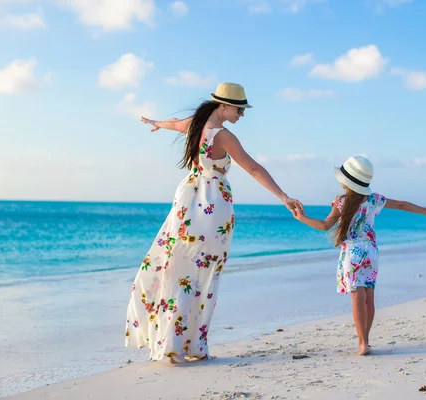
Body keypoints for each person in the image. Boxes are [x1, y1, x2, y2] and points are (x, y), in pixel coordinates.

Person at [125, 82, 303, 363]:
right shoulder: (223, 136)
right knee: (203, 273)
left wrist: (157, 123)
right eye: (239, 109)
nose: (241, 115)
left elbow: (173, 123)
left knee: (177, 266)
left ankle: (172, 343)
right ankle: (192, 345)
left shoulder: (194, 124)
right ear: (223, 105)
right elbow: (254, 168)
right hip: (211, 205)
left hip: (186, 200)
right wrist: (284, 196)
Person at [291, 156, 426, 356]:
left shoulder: (342, 203)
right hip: (371, 252)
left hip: (352, 253)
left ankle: (362, 342)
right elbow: (401, 205)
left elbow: (324, 226)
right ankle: (366, 341)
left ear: (347, 181)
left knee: (357, 297)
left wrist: (301, 217)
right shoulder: (375, 199)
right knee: (369, 297)